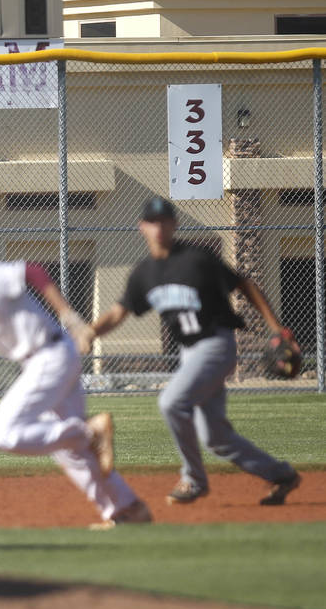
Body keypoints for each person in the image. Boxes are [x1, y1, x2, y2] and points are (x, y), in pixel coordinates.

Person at [0, 228, 152, 530]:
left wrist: (69, 316)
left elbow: (32, 271)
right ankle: (126, 509)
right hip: (46, 359)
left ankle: (88, 432)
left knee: (1, 433)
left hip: (49, 355)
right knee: (70, 451)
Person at [82, 196, 301, 507]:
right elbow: (119, 313)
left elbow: (245, 284)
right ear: (142, 227)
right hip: (189, 352)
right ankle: (282, 475)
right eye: (152, 222)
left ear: (174, 224)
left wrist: (276, 328)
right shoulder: (144, 274)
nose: (159, 228)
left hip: (215, 344)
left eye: (165, 221)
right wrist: (90, 332)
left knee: (171, 402)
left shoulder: (197, 258)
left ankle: (194, 479)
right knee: (216, 439)